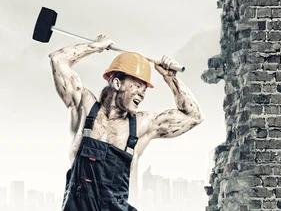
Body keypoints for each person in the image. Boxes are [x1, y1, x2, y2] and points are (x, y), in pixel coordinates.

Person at [48, 34, 204, 211]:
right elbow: (58, 59)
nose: (142, 94)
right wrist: (96, 46)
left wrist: (171, 78)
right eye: (137, 86)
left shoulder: (141, 125)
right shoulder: (85, 107)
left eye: (144, 90)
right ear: (116, 83)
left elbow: (194, 116)